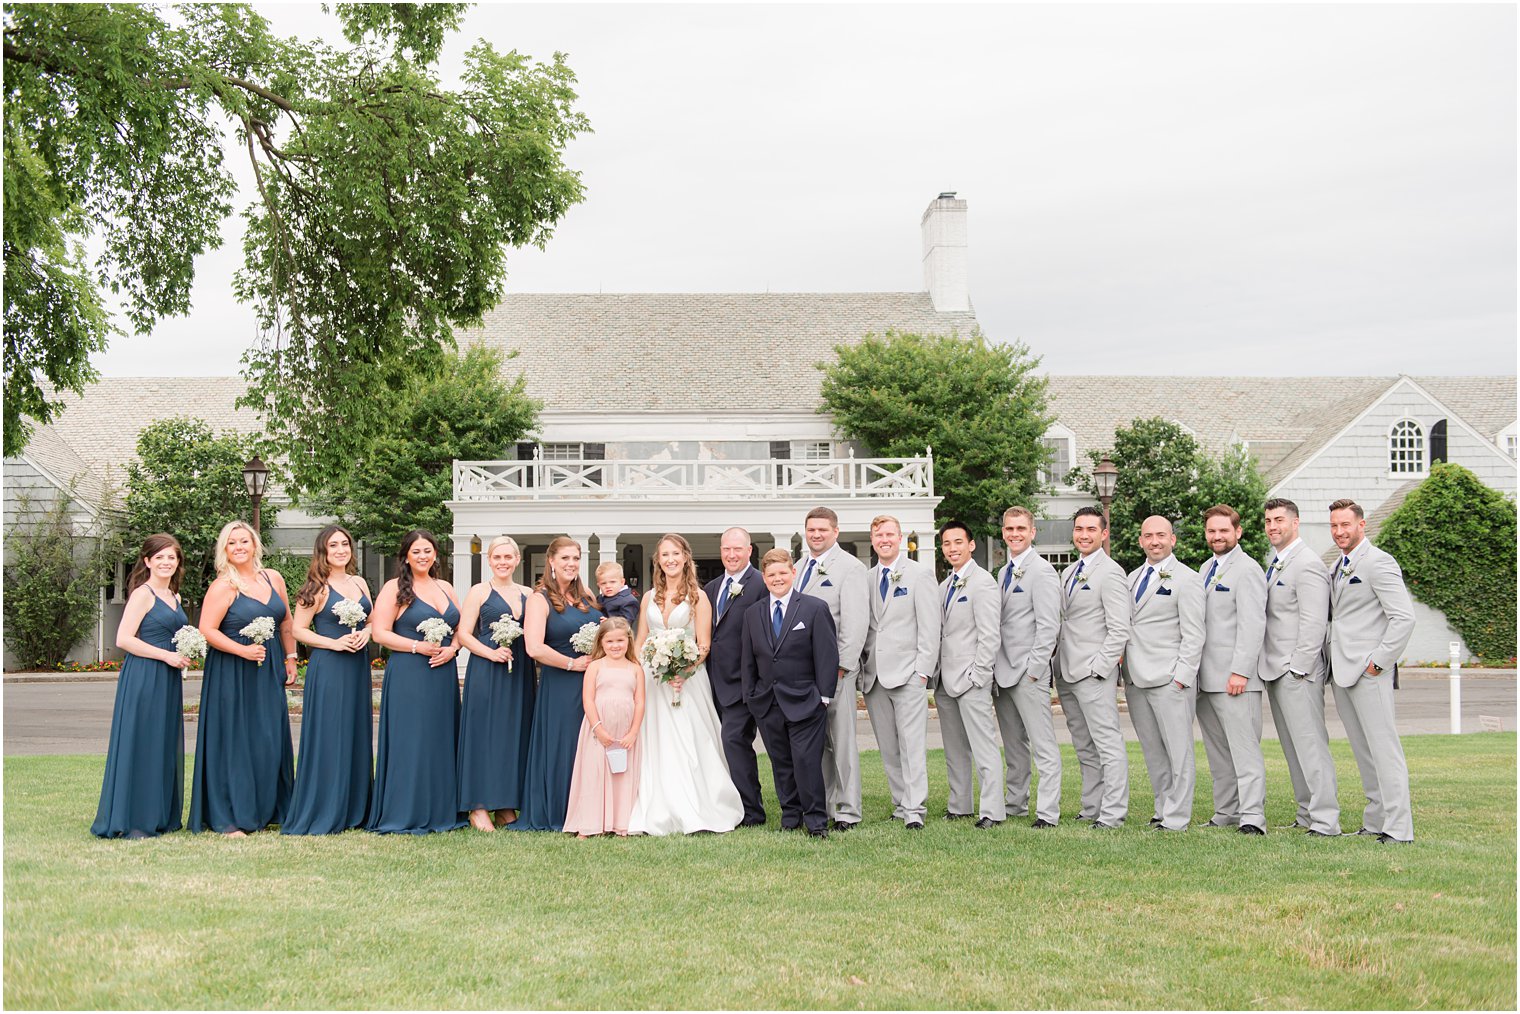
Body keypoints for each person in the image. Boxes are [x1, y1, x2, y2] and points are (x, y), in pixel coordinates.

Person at [629, 533, 744, 835]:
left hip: (687, 681)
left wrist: (683, 670)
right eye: (664, 554)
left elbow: (703, 645)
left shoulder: (698, 597)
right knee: (655, 741)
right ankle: (656, 807)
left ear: (685, 558)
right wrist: (636, 674)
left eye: (675, 554)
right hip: (653, 682)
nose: (670, 559)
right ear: (658, 561)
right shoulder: (648, 597)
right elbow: (640, 641)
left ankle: (697, 806)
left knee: (690, 740)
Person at [188, 521, 297, 835]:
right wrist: (242, 651)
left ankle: (271, 807)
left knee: (269, 735)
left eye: (244, 541)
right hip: (232, 671)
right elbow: (207, 630)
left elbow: (286, 621)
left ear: (254, 545)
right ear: (225, 549)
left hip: (269, 666)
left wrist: (290, 656)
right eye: (231, 543)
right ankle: (230, 815)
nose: (238, 547)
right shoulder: (224, 586)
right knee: (235, 738)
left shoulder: (273, 578)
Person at [1326, 498, 1416, 844]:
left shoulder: (1379, 562)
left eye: (1345, 525)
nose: (1339, 532)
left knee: (1384, 749)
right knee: (1364, 751)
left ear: (1361, 525)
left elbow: (1403, 617)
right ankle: (1376, 820)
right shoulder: (1339, 564)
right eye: (1334, 526)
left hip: (1369, 671)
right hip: (1342, 670)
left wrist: (1379, 662)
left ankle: (1398, 828)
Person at [365, 529, 466, 834]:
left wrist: (453, 649)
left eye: (428, 551)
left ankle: (442, 809)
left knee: (440, 737)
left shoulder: (445, 587)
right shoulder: (395, 589)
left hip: (442, 672)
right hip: (409, 672)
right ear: (406, 557)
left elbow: (462, 627)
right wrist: (415, 646)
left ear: (436, 554)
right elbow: (379, 632)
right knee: (411, 739)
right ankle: (405, 810)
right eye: (416, 551)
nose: (423, 556)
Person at [92, 534, 191, 838]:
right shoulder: (142, 594)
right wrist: (167, 656)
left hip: (168, 678)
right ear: (147, 561)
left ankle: (158, 814)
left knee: (161, 741)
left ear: (178, 562)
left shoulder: (174, 597)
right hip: (144, 675)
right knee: (142, 740)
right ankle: (134, 818)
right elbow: (123, 639)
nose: (166, 562)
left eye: (171, 557)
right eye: (159, 557)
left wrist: (184, 655)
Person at [739, 549, 839, 838]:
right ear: (764, 578)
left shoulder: (813, 608)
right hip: (768, 702)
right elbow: (749, 659)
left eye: (782, 573)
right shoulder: (753, 613)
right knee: (781, 762)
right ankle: (790, 815)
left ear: (793, 573)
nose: (777, 578)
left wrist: (824, 695)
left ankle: (816, 820)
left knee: (807, 762)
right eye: (771, 574)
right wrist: (751, 696)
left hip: (806, 700)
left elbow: (827, 655)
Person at [282, 525, 374, 836]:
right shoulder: (316, 588)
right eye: (333, 545)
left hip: (357, 665)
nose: (340, 550)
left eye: (345, 544)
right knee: (330, 732)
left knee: (355, 731)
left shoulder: (359, 583)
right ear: (323, 551)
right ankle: (326, 807)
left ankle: (356, 808)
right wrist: (334, 643)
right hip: (330, 665)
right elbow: (298, 630)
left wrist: (367, 633)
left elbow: (373, 620)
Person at [1259, 499, 1339, 837]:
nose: (1273, 526)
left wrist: (1299, 668)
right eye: (1267, 521)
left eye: (1279, 520)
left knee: (1311, 747)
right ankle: (1306, 813)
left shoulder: (1307, 564)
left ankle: (1326, 821)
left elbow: (1314, 620)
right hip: (1275, 669)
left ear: (1296, 523)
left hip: (1297, 672)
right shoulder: (1277, 562)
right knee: (1293, 749)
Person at [513, 536, 605, 831]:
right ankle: (561, 809)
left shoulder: (586, 595)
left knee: (592, 744)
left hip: (593, 681)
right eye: (564, 558)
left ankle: (592, 808)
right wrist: (570, 663)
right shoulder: (539, 599)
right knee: (565, 745)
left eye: (575, 559)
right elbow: (534, 648)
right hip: (562, 682)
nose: (571, 564)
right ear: (550, 562)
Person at [1121, 516, 1205, 832]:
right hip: (1136, 678)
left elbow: (1195, 633)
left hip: (1170, 677)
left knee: (1179, 752)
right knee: (1153, 750)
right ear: (1141, 540)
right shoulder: (1130, 579)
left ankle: (1178, 817)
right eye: (1148, 536)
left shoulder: (1187, 578)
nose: (1154, 541)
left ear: (1173, 539)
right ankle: (1162, 808)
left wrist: (1182, 676)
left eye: (1161, 535)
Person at [861, 515, 938, 830]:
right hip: (874, 676)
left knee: (911, 744)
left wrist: (922, 671)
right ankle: (899, 803)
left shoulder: (919, 575)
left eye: (890, 534)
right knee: (888, 746)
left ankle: (915, 809)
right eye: (879, 535)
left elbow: (930, 627)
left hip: (908, 674)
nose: (884, 539)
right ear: (873, 539)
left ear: (900, 537)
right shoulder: (866, 579)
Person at [1195, 505, 1269, 835]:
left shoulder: (1248, 569)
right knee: (1218, 752)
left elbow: (1253, 624)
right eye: (1212, 531)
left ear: (1237, 532)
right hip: (1206, 678)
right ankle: (1226, 811)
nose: (1217, 536)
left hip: (1235, 679)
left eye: (1223, 530)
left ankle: (1252, 816)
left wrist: (1241, 671)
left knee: (1244, 751)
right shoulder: (1205, 568)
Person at [1055, 507, 1130, 828]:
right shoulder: (1069, 572)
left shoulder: (1111, 572)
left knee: (1107, 744)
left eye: (1090, 529)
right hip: (1067, 671)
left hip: (1093, 673)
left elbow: (1120, 629)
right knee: (1084, 745)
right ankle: (1091, 806)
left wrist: (1100, 668)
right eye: (1079, 529)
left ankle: (1112, 814)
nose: (1083, 535)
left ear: (1104, 534)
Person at [454, 535, 536, 832]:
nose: (503, 562)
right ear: (489, 560)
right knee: (483, 734)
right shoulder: (479, 591)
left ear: (517, 560)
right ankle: (477, 806)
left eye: (508, 557)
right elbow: (464, 634)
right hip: (487, 671)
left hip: (520, 674)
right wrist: (490, 653)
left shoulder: (529, 593)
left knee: (513, 736)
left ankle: (504, 804)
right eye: (497, 557)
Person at [793, 506, 868, 831]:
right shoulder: (797, 567)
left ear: (835, 532)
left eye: (823, 529)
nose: (816, 535)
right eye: (811, 530)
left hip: (835, 671)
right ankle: (821, 805)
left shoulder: (850, 568)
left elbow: (855, 622)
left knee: (842, 742)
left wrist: (842, 666)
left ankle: (849, 810)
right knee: (817, 743)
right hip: (804, 674)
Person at [991, 506, 1063, 829]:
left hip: (1028, 672)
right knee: (1014, 745)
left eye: (1021, 528)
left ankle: (1047, 812)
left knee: (1043, 745)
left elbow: (1049, 626)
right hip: (1003, 671)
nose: (1014, 534)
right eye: (1009, 529)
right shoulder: (1003, 573)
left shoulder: (1043, 571)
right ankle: (1015, 804)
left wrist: (1035, 669)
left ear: (1033, 532)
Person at [934, 520, 1005, 828]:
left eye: (958, 542)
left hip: (971, 678)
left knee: (983, 746)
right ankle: (959, 805)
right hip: (945, 680)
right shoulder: (944, 585)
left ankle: (992, 811)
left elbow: (990, 635)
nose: (952, 548)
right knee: (954, 747)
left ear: (971, 544)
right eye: (947, 544)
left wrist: (979, 675)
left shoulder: (983, 582)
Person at [702, 527, 769, 826]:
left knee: (734, 741)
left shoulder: (760, 584)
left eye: (737, 549)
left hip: (744, 683)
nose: (731, 555)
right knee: (718, 745)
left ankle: (751, 811)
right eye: (726, 549)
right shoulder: (711, 588)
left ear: (749, 550)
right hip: (711, 681)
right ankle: (724, 805)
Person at [562, 618, 646, 837]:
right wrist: (598, 728)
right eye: (609, 641)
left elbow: (640, 701)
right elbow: (588, 699)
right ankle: (590, 824)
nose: (615, 645)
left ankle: (621, 824)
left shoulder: (635, 668)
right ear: (601, 642)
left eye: (620, 640)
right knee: (594, 774)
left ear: (628, 641)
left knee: (623, 775)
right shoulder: (596, 666)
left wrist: (633, 732)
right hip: (598, 729)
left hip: (626, 731)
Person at [596, 562, 641, 626]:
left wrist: (609, 622)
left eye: (612, 582)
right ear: (598, 585)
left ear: (622, 582)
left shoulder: (628, 600)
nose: (608, 586)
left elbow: (626, 622)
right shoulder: (599, 598)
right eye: (603, 583)